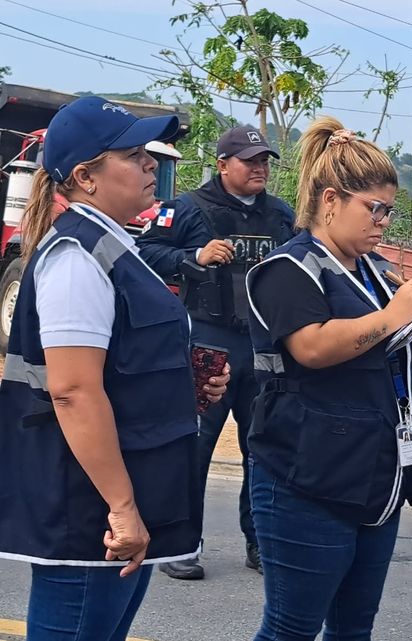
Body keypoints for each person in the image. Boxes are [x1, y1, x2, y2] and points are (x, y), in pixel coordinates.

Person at [0, 96, 229, 641]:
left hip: (116, 495)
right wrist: (122, 508)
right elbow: (74, 391)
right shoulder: (77, 259)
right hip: (92, 508)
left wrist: (185, 382)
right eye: (132, 155)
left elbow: (122, 365)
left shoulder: (115, 247)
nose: (152, 163)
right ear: (85, 177)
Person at [245, 116, 412, 640]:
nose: (383, 222)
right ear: (330, 200)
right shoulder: (290, 268)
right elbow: (310, 346)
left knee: (355, 628)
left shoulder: (370, 269)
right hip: (306, 476)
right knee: (291, 628)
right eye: (373, 209)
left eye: (389, 211)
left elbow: (379, 342)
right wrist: (391, 317)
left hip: (374, 472)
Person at [136, 125, 295, 580]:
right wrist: (194, 256)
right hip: (208, 342)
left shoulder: (281, 215)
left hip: (263, 347)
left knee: (263, 448)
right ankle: (178, 544)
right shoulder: (186, 209)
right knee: (195, 444)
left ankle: (260, 542)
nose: (260, 168)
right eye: (250, 160)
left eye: (265, 160)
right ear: (223, 165)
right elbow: (144, 252)